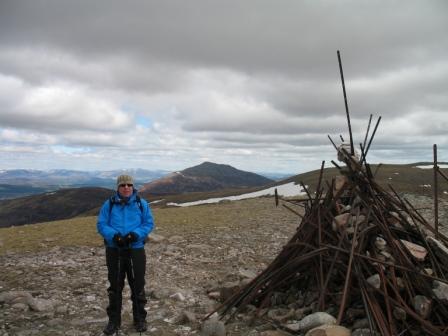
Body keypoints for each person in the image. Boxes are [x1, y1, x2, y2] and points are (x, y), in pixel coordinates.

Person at [97, 174, 154, 335]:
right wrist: (114, 236)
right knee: (115, 287)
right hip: (114, 250)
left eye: (129, 184)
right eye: (123, 185)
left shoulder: (141, 204)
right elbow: (101, 224)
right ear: (118, 187)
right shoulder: (109, 204)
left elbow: (148, 223)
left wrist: (135, 235)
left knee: (138, 286)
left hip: (135, 249)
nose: (126, 187)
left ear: (133, 186)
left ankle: (140, 319)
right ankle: (114, 321)